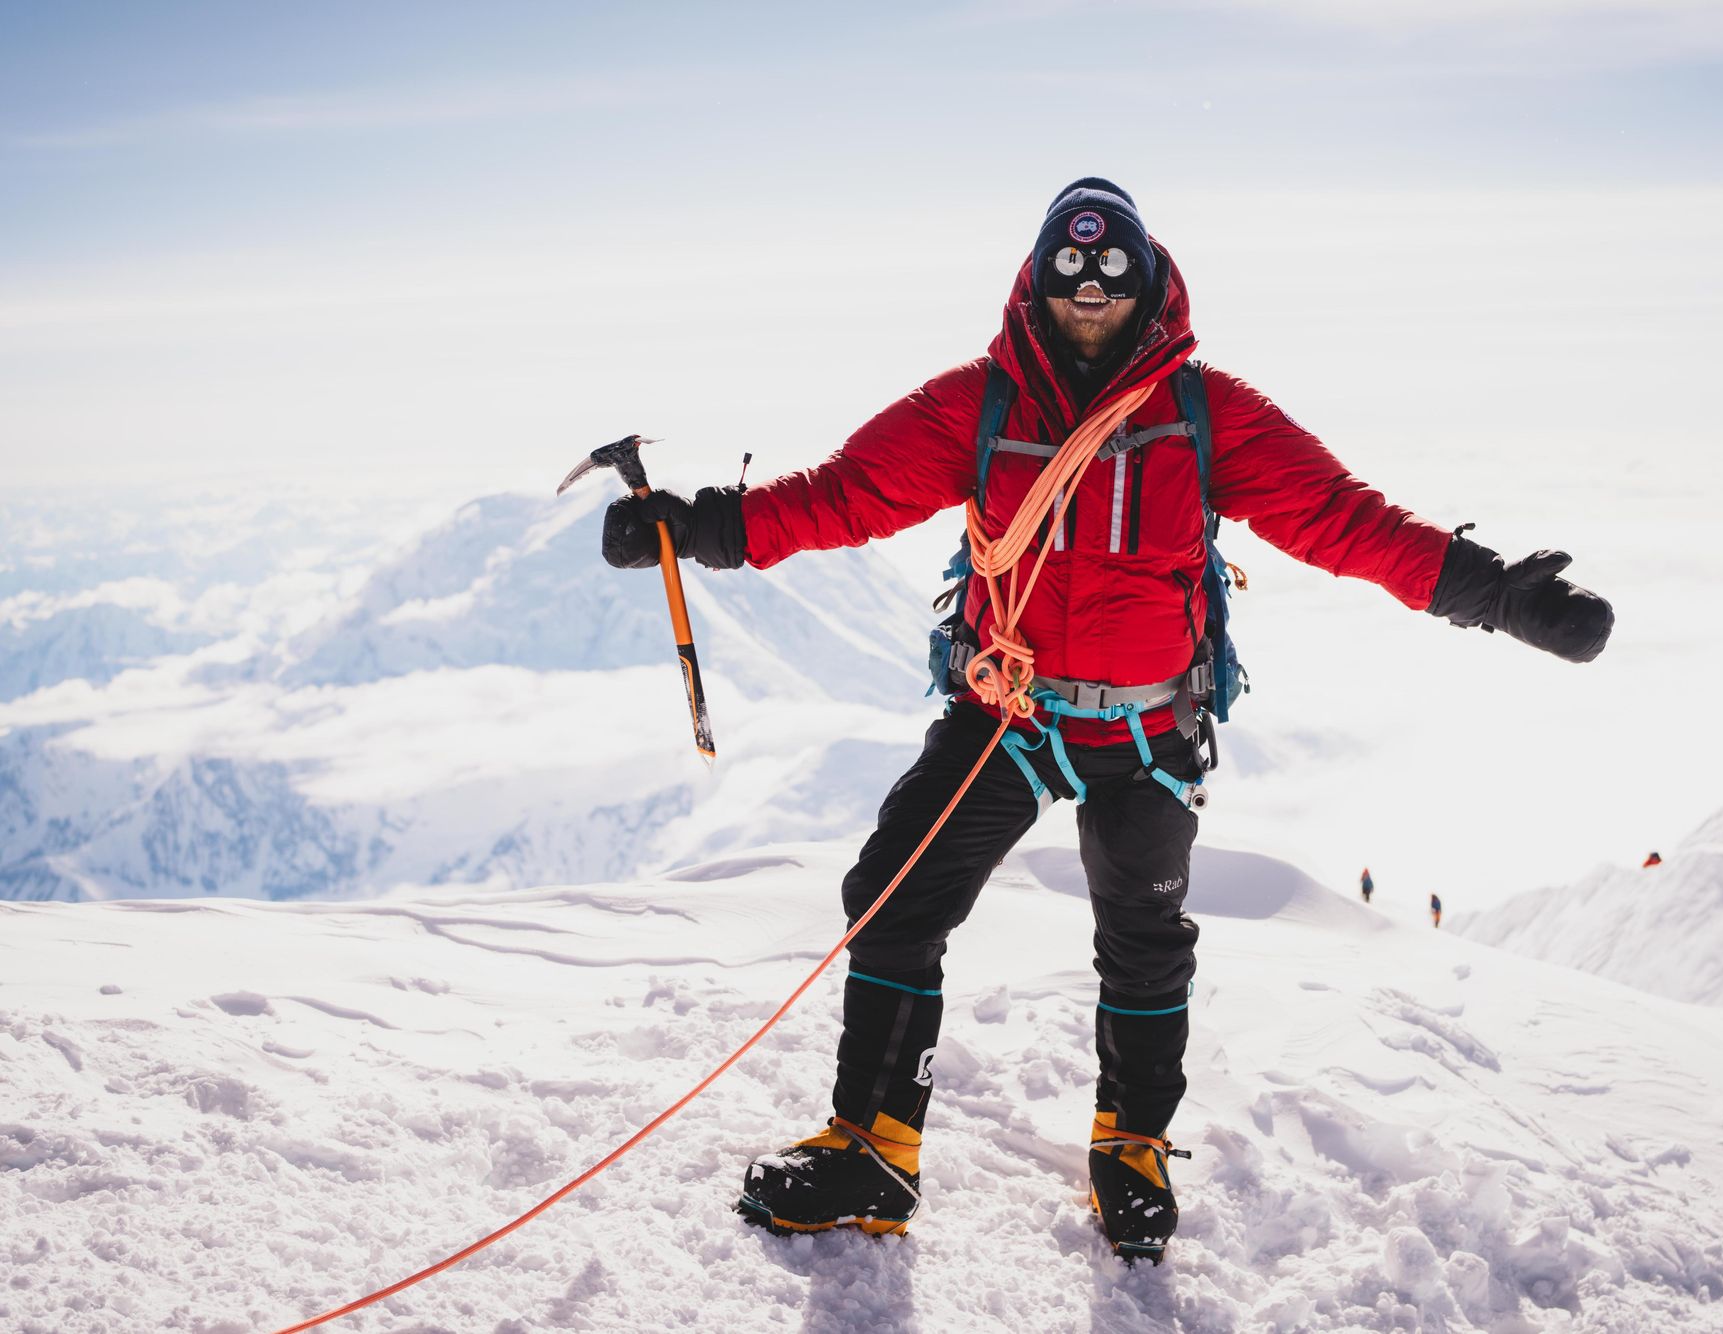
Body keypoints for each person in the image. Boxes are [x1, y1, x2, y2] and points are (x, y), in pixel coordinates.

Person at [599, 177, 1613, 1261]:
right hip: (1010, 713)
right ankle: (873, 1154)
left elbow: (1339, 520)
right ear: (1036, 282)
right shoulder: (981, 403)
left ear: (1147, 279)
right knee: (892, 895)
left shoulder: (1204, 411)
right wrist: (695, 526)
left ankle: (1129, 1151)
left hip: (1145, 731)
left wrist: (1498, 594)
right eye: (1068, 271)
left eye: (1110, 271)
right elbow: (848, 492)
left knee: (1141, 945)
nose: (1089, 291)